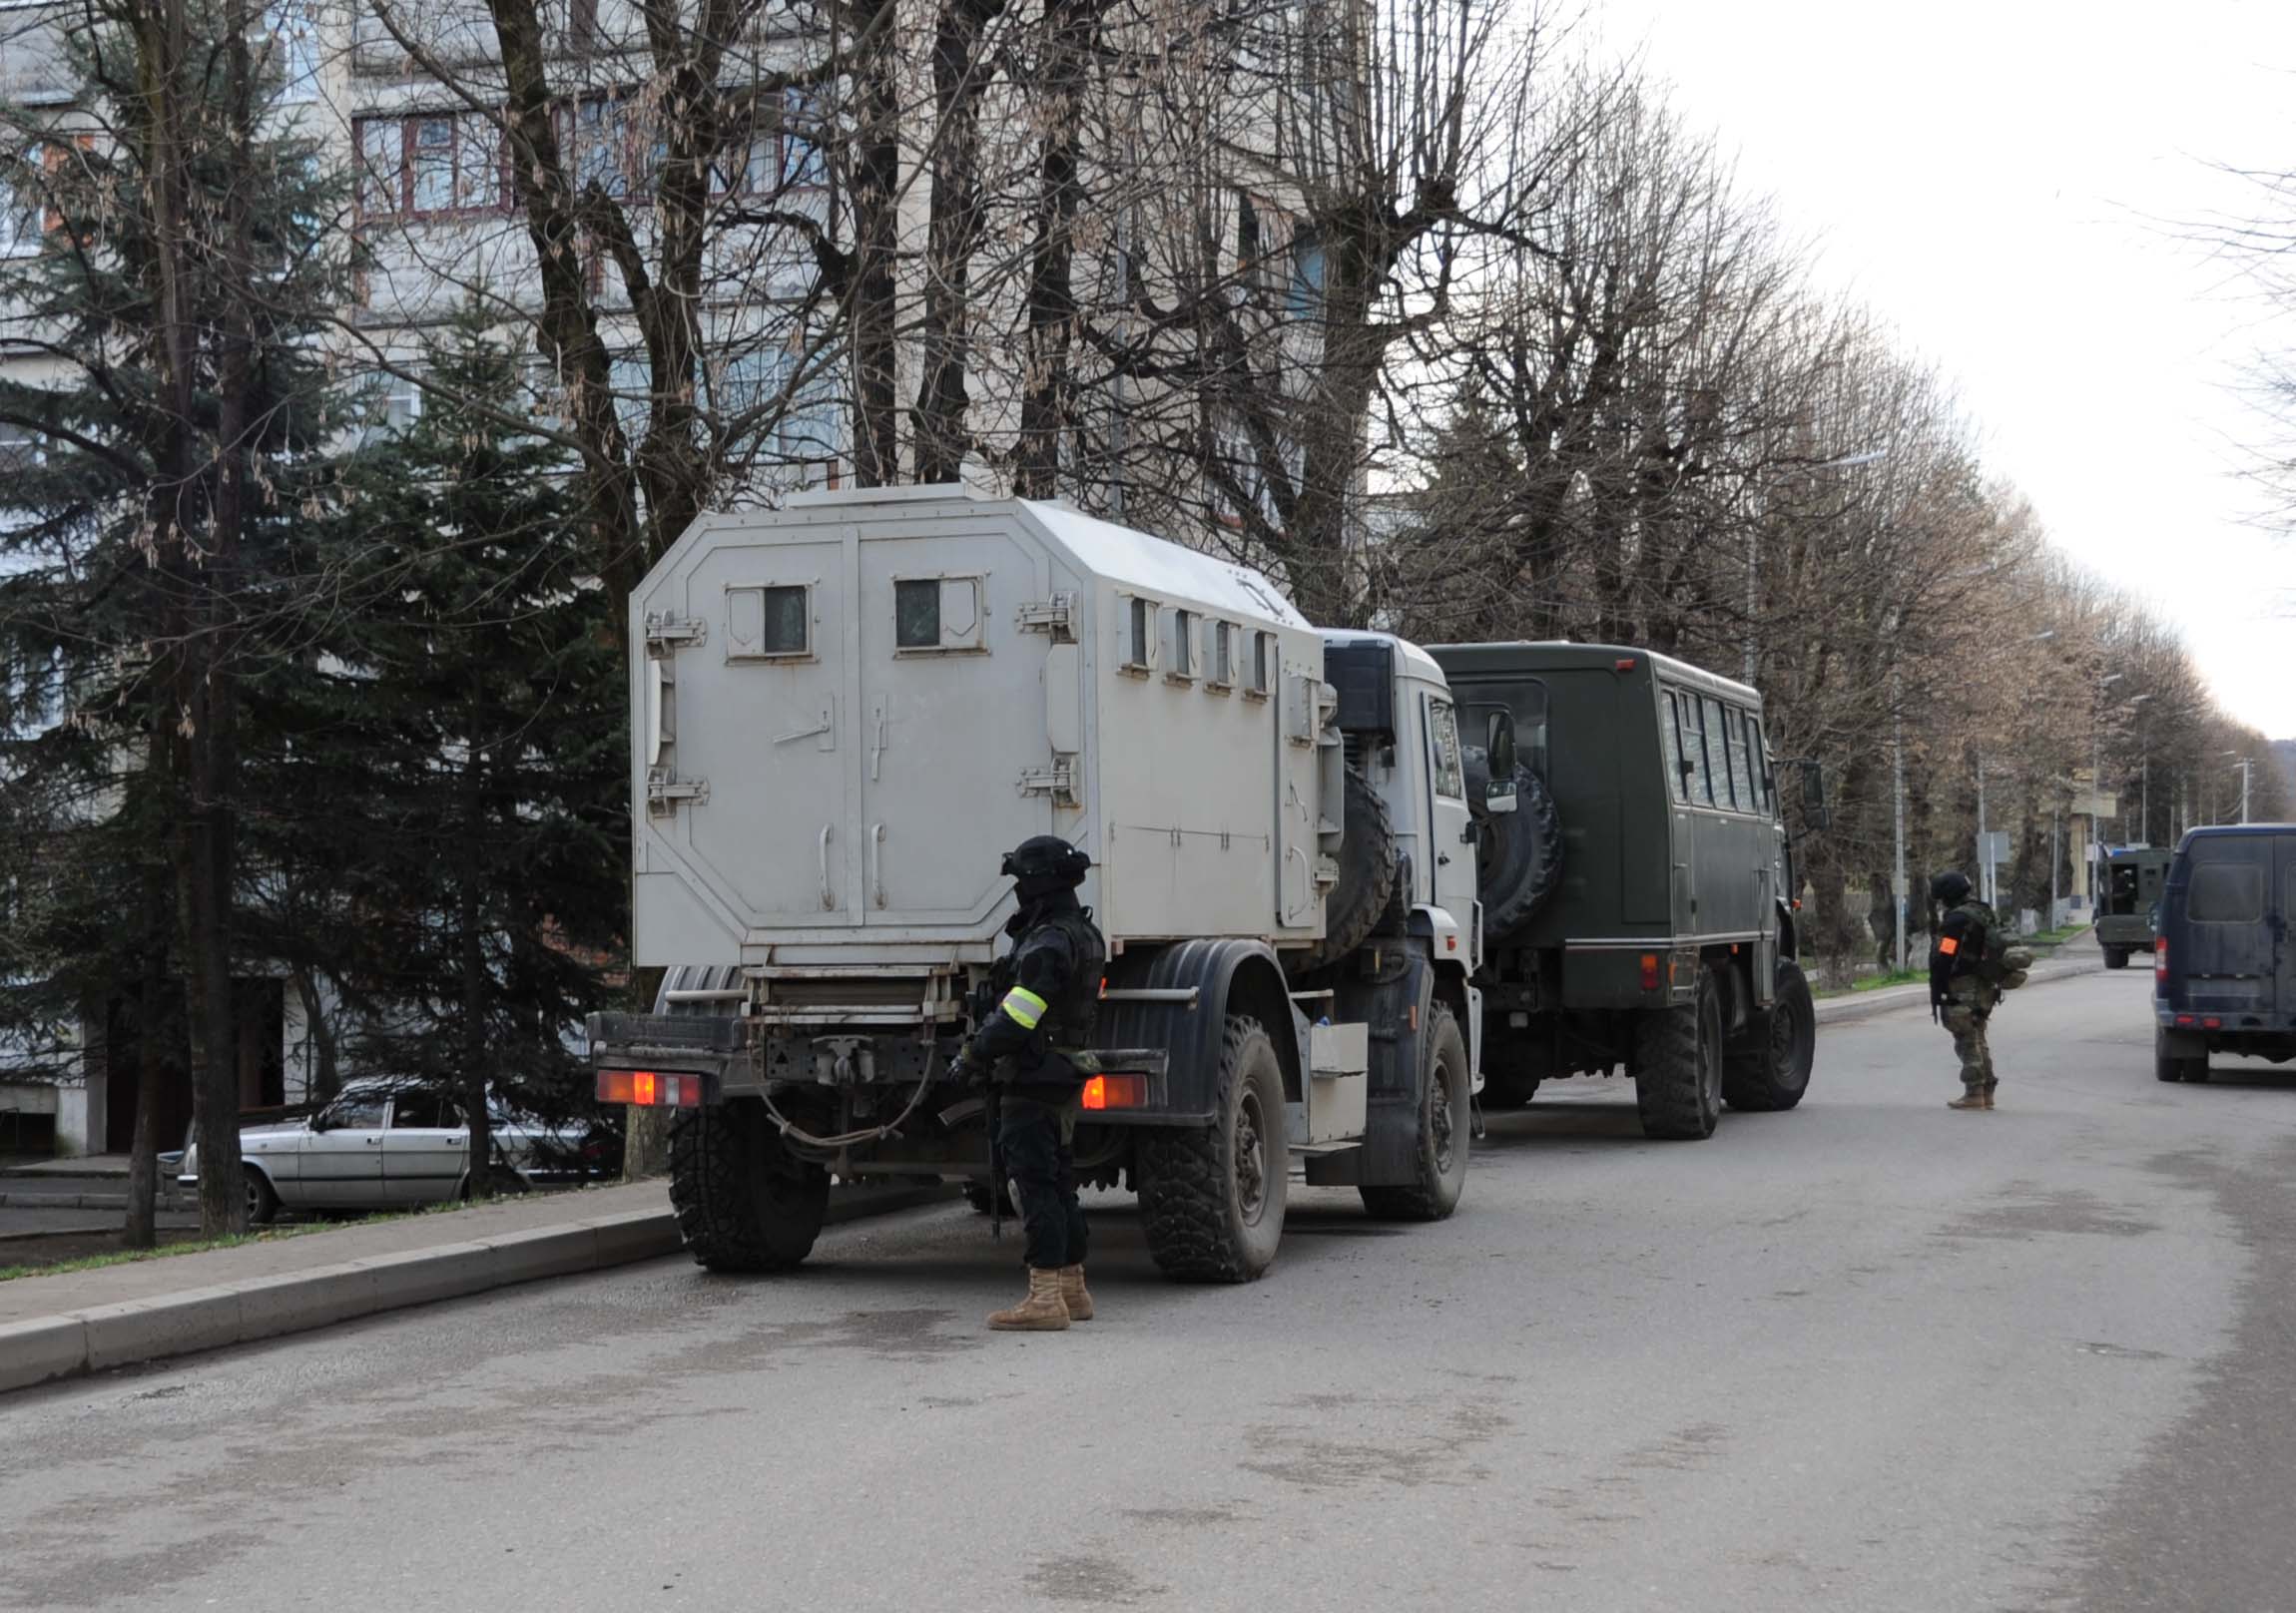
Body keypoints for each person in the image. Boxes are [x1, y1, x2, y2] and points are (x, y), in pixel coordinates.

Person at [951, 835, 1106, 1332]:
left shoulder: (1047, 944)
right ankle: (1072, 1288)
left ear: (1037, 883)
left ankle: (1044, 1297)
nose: (1017, 889)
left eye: (1020, 880)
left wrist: (974, 1054)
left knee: (1034, 1181)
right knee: (1059, 1180)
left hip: (1033, 1076)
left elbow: (1018, 1017)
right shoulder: (1082, 933)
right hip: (1061, 1073)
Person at [1928, 870, 2000, 1111]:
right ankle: (1987, 1092)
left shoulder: (1956, 920)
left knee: (1966, 1039)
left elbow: (1946, 953)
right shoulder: (1982, 912)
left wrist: (1938, 984)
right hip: (1984, 985)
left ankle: (1974, 1093)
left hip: (1962, 985)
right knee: (1978, 1035)